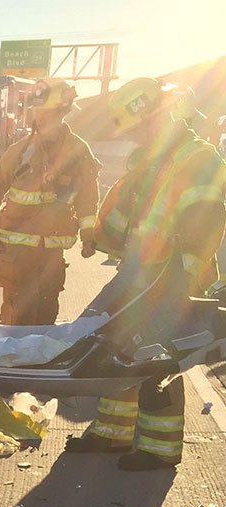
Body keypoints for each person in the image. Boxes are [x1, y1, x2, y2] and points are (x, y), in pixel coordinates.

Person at [65, 78, 226, 471]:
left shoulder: (197, 158)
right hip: (143, 276)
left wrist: (184, 283)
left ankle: (159, 448)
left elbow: (206, 223)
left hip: (174, 279)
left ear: (160, 116)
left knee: (157, 360)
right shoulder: (158, 160)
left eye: (139, 127)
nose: (135, 135)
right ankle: (113, 433)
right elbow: (135, 217)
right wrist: (102, 238)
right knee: (118, 349)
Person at [0, 78, 101, 325]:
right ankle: (14, 349)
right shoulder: (20, 152)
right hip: (16, 249)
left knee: (47, 307)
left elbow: (88, 198)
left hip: (52, 249)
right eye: (36, 110)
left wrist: (89, 235)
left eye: (45, 110)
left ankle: (40, 348)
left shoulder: (79, 152)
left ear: (61, 111)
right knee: (18, 311)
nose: (38, 116)